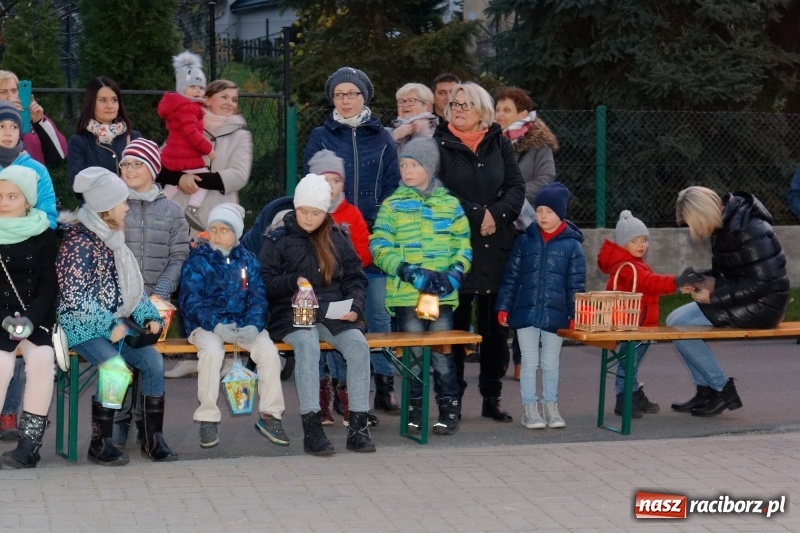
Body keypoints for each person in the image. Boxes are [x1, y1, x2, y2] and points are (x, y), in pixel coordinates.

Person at [57, 167, 178, 465]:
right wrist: (109, 324)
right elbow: (73, 297)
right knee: (115, 368)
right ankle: (101, 443)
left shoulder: (114, 240)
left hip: (115, 322)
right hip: (81, 325)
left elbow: (130, 291)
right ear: (107, 207)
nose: (127, 206)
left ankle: (152, 439)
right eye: (122, 202)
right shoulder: (79, 242)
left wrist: (150, 315)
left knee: (153, 361)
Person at [302, 66, 400, 416]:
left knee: (376, 312)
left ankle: (384, 383)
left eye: (352, 94)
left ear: (364, 97)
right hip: (328, 238)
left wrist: (376, 228)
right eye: (339, 94)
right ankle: (335, 390)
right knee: (334, 316)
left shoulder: (382, 137)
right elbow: (310, 185)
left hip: (370, 237)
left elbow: (392, 185)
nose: (345, 100)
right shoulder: (321, 135)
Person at [260, 173, 375, 456]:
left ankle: (358, 427)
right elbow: (263, 283)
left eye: (315, 212)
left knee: (359, 347)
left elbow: (356, 278)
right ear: (295, 208)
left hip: (333, 311)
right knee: (308, 345)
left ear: (326, 213)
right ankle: (312, 429)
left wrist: (354, 307)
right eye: (303, 211)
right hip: (290, 313)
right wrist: (293, 281)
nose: (308, 218)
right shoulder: (279, 239)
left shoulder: (337, 237)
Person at [434, 82, 525, 422]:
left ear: (482, 111)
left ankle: (492, 396)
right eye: (454, 104)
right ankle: (451, 398)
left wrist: (496, 215)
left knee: (494, 331)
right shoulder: (438, 145)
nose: (458, 109)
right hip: (455, 250)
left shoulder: (499, 142)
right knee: (455, 329)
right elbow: (438, 192)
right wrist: (478, 216)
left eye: (466, 105)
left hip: (496, 246)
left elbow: (516, 187)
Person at [370, 137, 472, 435]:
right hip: (407, 296)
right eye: (403, 165)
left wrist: (454, 274)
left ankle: (449, 409)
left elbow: (463, 245)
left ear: (429, 167)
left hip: (441, 296)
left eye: (414, 165)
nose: (407, 170)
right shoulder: (393, 205)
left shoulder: (451, 205)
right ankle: (414, 410)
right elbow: (379, 245)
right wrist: (405, 270)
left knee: (442, 354)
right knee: (412, 357)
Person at [159, 79, 253, 378]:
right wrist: (179, 177)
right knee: (188, 286)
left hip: (218, 223)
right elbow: (159, 165)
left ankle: (226, 356)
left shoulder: (240, 135)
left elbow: (238, 175)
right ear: (208, 99)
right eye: (223, 96)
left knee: (222, 288)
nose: (229, 103)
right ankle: (192, 353)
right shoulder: (184, 123)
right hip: (180, 220)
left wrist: (194, 179)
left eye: (234, 98)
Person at [667, 186, 789, 416]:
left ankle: (721, 389)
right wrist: (699, 279)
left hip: (766, 304)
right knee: (674, 320)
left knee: (679, 326)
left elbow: (763, 283)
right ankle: (706, 391)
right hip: (751, 298)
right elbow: (728, 274)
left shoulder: (750, 229)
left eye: (694, 223)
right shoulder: (725, 227)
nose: (696, 231)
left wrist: (712, 296)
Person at [179, 203, 288, 449]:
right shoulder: (198, 260)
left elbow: (258, 297)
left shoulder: (248, 261)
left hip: (242, 324)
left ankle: (271, 415)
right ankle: (207, 417)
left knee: (269, 352)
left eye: (224, 230)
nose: (217, 235)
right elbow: (190, 299)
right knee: (212, 351)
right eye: (213, 229)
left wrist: (254, 325)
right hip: (207, 325)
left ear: (237, 233)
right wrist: (216, 325)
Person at [111, 138, 190, 449]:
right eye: (125, 164)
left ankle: (149, 429)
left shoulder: (171, 211)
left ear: (153, 169)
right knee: (117, 361)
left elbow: (178, 255)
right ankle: (117, 422)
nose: (129, 169)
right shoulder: (113, 207)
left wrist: (161, 292)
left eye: (137, 163)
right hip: (118, 301)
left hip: (156, 302)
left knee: (149, 361)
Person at [495, 182, 585, 429]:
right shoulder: (525, 241)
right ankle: (530, 409)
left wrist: (575, 314)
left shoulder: (573, 246)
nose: (543, 216)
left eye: (549, 211)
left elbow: (576, 285)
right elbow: (511, 277)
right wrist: (504, 307)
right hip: (525, 311)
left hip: (556, 315)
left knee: (551, 362)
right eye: (539, 210)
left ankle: (551, 406)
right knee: (529, 361)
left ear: (561, 214)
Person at [0, 101, 60, 440]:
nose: (5, 201)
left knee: (41, 361)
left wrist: (31, 321)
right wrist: (6, 320)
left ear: (28, 200)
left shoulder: (42, 234)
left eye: (13, 196)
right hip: (0, 317)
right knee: (2, 365)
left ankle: (30, 442)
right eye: (0, 196)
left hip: (35, 318)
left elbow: (48, 287)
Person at [307, 148, 379, 424]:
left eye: (336, 181)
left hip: (342, 294)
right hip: (313, 298)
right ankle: (320, 402)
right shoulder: (305, 217)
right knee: (316, 351)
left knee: (347, 343)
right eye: (325, 180)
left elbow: (364, 253)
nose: (331, 186)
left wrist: (337, 260)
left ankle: (349, 400)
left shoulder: (352, 215)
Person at [494, 87, 560, 381]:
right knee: (497, 292)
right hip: (496, 226)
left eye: (506, 110)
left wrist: (512, 195)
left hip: (527, 226)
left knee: (525, 294)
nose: (499, 115)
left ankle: (523, 359)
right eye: (496, 109)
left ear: (523, 114)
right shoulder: (490, 142)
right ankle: (498, 357)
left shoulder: (538, 144)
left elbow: (546, 181)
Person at [597, 210, 676, 419]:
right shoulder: (628, 266)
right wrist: (674, 282)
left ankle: (634, 394)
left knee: (630, 361)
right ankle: (624, 399)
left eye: (643, 239)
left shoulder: (634, 263)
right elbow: (649, 283)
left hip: (640, 322)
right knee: (627, 362)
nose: (641, 244)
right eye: (634, 240)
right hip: (632, 324)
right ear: (623, 244)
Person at [158, 51, 215, 230]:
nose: (198, 91)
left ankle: (159, 208)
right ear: (182, 88)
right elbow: (192, 134)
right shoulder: (187, 108)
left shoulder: (179, 106)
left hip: (174, 155)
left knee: (172, 186)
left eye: (201, 88)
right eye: (192, 87)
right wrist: (208, 149)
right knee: (205, 178)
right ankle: (192, 208)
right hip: (185, 156)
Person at [67, 77, 140, 204]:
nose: (110, 106)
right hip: (98, 216)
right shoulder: (79, 142)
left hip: (133, 213)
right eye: (102, 100)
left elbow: (148, 176)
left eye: (114, 100)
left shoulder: (134, 137)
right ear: (91, 103)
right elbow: (77, 188)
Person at [0, 70, 68, 169]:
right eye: (3, 92)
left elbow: (60, 154)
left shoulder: (30, 118)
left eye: (14, 90)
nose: (10, 96)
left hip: (35, 180)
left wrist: (39, 121)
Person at [390, 83, 438, 150]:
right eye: (401, 101)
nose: (404, 105)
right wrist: (393, 137)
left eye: (411, 101)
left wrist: (423, 133)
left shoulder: (438, 131)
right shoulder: (387, 133)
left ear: (426, 106)